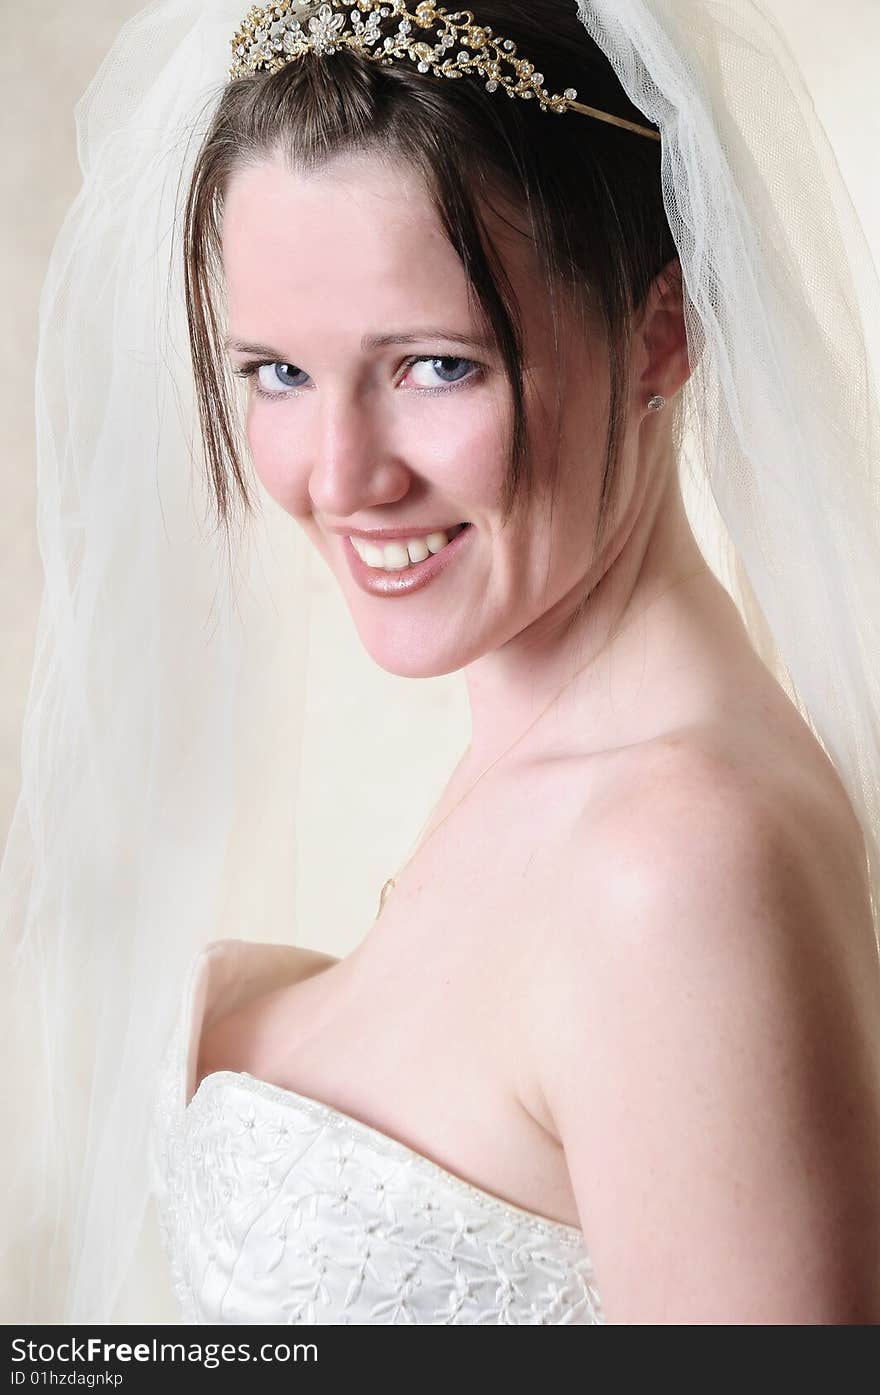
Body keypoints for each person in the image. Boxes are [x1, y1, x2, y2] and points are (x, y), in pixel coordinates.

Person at [4, 0, 880, 1325]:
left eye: (433, 366)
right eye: (279, 372)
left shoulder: (676, 870)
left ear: (662, 327)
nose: (343, 479)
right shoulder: (548, 763)